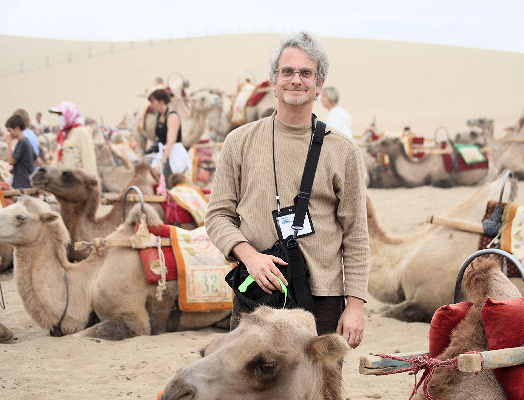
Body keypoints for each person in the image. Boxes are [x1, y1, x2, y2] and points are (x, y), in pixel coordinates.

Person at [205, 32, 369, 349]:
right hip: (257, 290)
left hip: (322, 298)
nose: (296, 80)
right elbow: (218, 217)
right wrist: (249, 255)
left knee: (320, 393)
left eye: (306, 73)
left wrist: (355, 305)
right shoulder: (239, 141)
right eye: (288, 72)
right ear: (273, 80)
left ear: (319, 84)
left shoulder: (342, 150)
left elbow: (356, 234)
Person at [146, 89, 190, 181]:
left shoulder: (172, 117)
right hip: (162, 152)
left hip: (173, 153)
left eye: (153, 103)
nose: (152, 106)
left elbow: (170, 142)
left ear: (161, 102)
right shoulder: (160, 117)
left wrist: (162, 161)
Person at [48, 101, 97, 176]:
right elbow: (57, 161)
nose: (59, 118)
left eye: (61, 114)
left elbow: (89, 162)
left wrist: (91, 183)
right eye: (58, 115)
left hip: (76, 184)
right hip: (63, 183)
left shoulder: (81, 133)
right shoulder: (63, 135)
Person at [4, 114, 36, 189]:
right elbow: (36, 159)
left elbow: (11, 161)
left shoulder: (22, 143)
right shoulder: (27, 141)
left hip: (22, 184)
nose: (9, 133)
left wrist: (8, 143)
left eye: (9, 130)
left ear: (17, 128)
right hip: (27, 181)